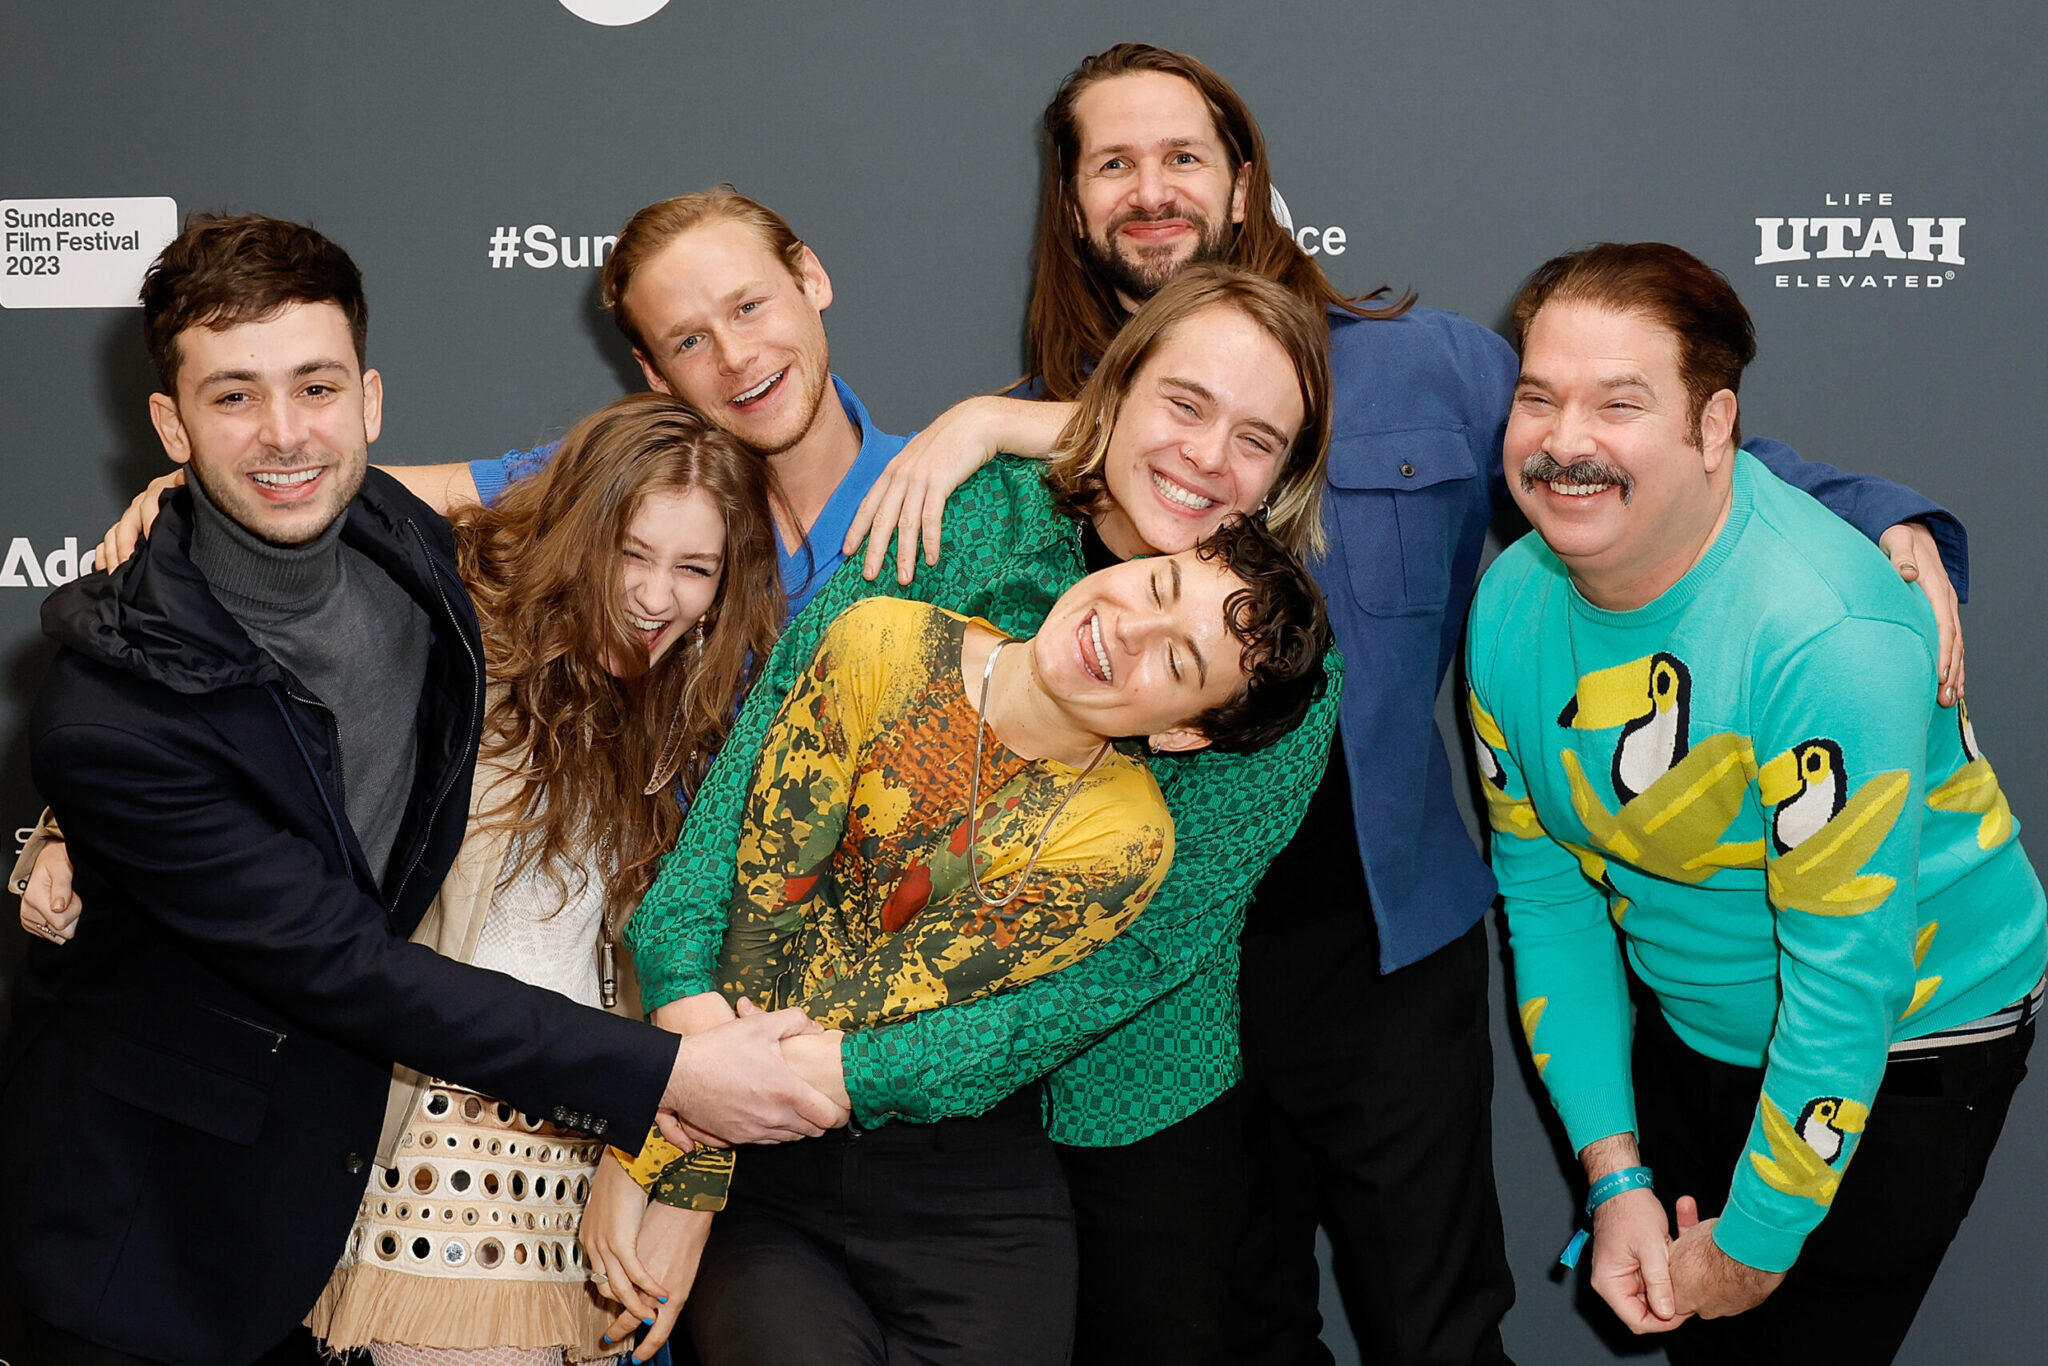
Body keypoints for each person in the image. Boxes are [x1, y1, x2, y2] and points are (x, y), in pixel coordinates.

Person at [843, 42, 1975, 1364]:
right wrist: (985, 421)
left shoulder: (1425, 368)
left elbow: (1661, 459)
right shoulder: (1047, 432)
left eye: (1183, 156)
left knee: (1435, 1326)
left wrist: (1890, 529)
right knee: (1234, 1328)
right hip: (1160, 973)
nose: (1152, 190)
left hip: (1383, 952)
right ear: (1077, 206)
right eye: (1115, 165)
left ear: (1246, 177)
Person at [0, 214, 839, 1366]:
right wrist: (61, 831)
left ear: (371, 402)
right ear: (171, 424)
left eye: (316, 387)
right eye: (233, 397)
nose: (286, 433)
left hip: (434, 1184)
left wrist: (667, 1171)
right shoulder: (117, 715)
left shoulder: (417, 553)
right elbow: (343, 959)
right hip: (172, 1236)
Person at [624, 262, 1342, 1353]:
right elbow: (759, 794)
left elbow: (1129, 959)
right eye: (1183, 402)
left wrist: (826, 1075)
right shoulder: (958, 511)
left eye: (1254, 440)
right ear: (1115, 387)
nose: (1204, 455)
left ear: (1285, 477)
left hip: (1122, 1096)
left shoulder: (1279, 667)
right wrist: (689, 1081)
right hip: (838, 1093)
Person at [1466, 241, 2043, 1365]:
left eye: (1618, 403)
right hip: (1695, 1011)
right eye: (1538, 396)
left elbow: (1845, 979)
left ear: (1713, 427)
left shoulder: (1826, 636)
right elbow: (1546, 901)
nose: (1563, 441)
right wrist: (1614, 1173)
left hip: (1906, 1031)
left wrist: (1755, 1245)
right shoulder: (1510, 600)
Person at [301, 393, 783, 1365]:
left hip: (580, 1149)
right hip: (439, 1135)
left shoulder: (686, 723)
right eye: (632, 553)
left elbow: (687, 978)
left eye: (693, 569)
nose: (656, 596)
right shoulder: (455, 652)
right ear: (579, 533)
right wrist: (66, 836)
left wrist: (651, 1176)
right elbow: (274, 768)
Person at [89, 188, 907, 622]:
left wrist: (994, 421)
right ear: (654, 374)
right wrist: (203, 493)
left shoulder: (960, 490)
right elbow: (365, 490)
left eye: (750, 307)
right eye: (688, 341)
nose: (735, 358)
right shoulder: (608, 490)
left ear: (812, 279)